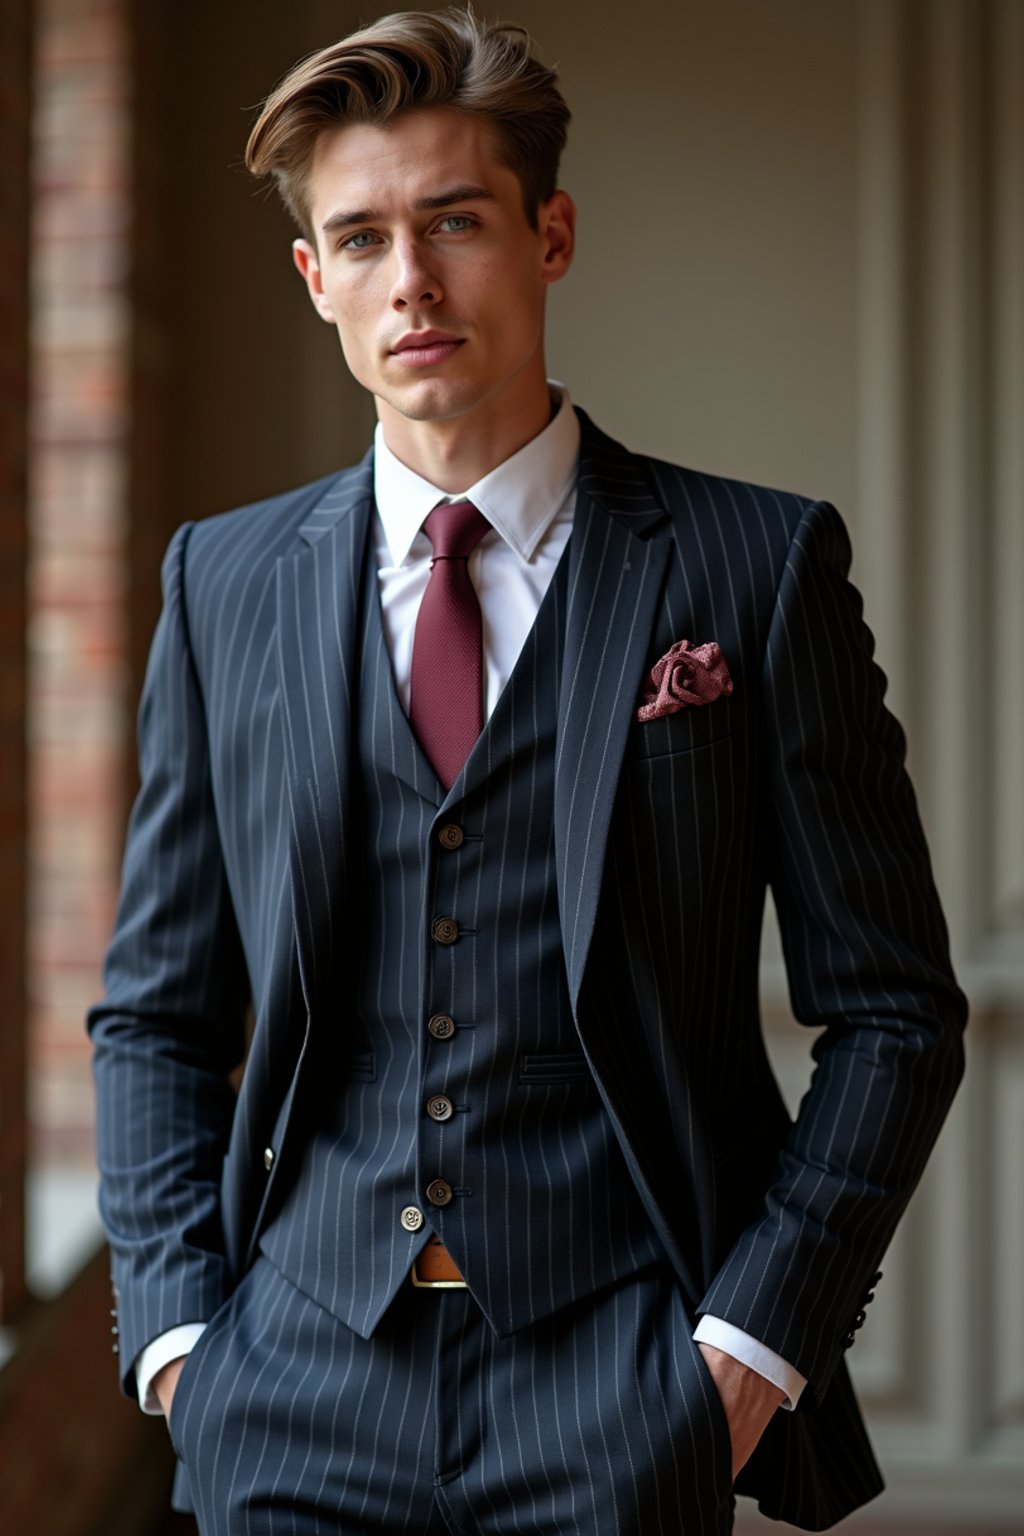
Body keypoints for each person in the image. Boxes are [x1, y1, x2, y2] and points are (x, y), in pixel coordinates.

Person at [89, 9, 967, 1533]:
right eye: (358, 239)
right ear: (315, 281)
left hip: (622, 1380)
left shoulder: (753, 568)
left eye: (456, 222)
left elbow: (895, 1010)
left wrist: (747, 1351)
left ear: (548, 234)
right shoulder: (218, 587)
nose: (410, 280)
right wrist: (181, 1344)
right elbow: (156, 1010)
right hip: (290, 1378)